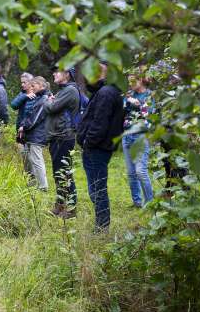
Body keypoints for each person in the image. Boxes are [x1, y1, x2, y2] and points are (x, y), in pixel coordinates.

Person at [77, 61, 124, 232]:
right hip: (98, 148)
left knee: (98, 189)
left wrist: (88, 143)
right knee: (96, 188)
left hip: (97, 149)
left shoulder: (106, 93)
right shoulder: (104, 91)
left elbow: (100, 123)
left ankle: (102, 227)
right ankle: (101, 225)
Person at [44, 65, 81, 218]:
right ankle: (60, 205)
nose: (54, 73)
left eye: (57, 71)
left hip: (64, 137)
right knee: (58, 173)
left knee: (65, 173)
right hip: (57, 136)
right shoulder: (64, 90)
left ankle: (71, 209)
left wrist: (48, 100)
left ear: (67, 74)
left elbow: (51, 107)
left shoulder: (70, 90)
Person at [123, 72, 154, 208]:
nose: (130, 84)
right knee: (131, 173)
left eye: (132, 82)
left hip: (141, 135)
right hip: (127, 135)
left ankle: (150, 203)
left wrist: (137, 104)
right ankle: (137, 202)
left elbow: (149, 115)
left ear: (141, 80)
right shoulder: (130, 95)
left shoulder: (149, 95)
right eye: (129, 82)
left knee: (140, 171)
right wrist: (127, 103)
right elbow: (123, 110)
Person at [19, 76, 49, 192]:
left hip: (37, 135)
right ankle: (35, 184)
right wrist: (23, 125)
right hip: (32, 134)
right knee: (32, 160)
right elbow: (29, 116)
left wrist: (24, 127)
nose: (31, 88)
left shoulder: (44, 99)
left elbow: (35, 119)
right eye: (30, 86)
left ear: (41, 86)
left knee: (37, 160)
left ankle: (43, 187)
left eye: (33, 85)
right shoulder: (38, 98)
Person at [10, 72, 34, 141]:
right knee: (21, 150)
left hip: (30, 131)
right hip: (19, 129)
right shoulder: (22, 94)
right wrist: (25, 97)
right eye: (21, 82)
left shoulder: (36, 95)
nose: (22, 85)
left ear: (31, 82)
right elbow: (13, 105)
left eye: (24, 82)